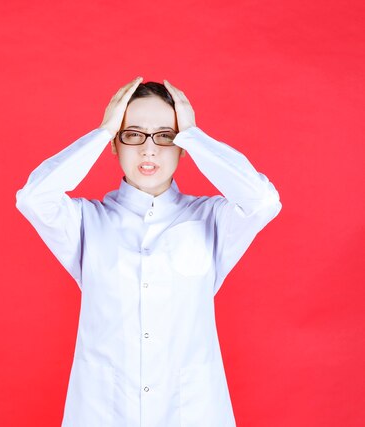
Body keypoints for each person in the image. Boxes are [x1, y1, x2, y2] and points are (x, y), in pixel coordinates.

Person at [15, 77, 282, 427]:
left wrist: (193, 134)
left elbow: (262, 201)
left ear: (181, 146)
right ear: (115, 144)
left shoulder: (212, 219)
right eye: (133, 134)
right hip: (102, 413)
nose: (149, 150)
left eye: (165, 136)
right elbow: (33, 198)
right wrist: (102, 130)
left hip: (192, 413)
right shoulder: (86, 222)